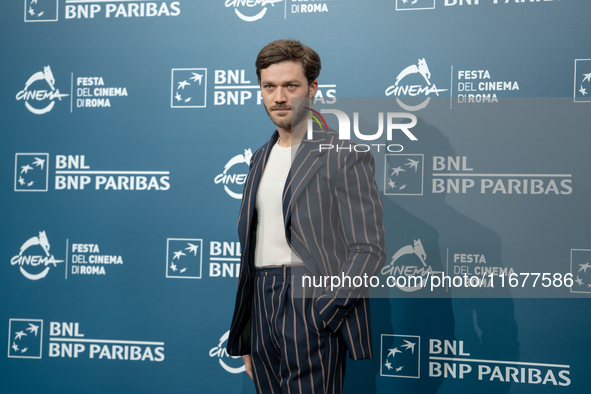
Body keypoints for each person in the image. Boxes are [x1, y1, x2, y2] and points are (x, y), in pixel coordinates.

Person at [227, 39, 386, 394]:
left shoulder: (343, 155)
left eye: (290, 86)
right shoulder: (258, 158)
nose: (279, 97)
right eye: (269, 87)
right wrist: (250, 330)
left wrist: (326, 311)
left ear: (312, 89)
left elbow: (369, 249)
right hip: (262, 304)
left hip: (310, 299)